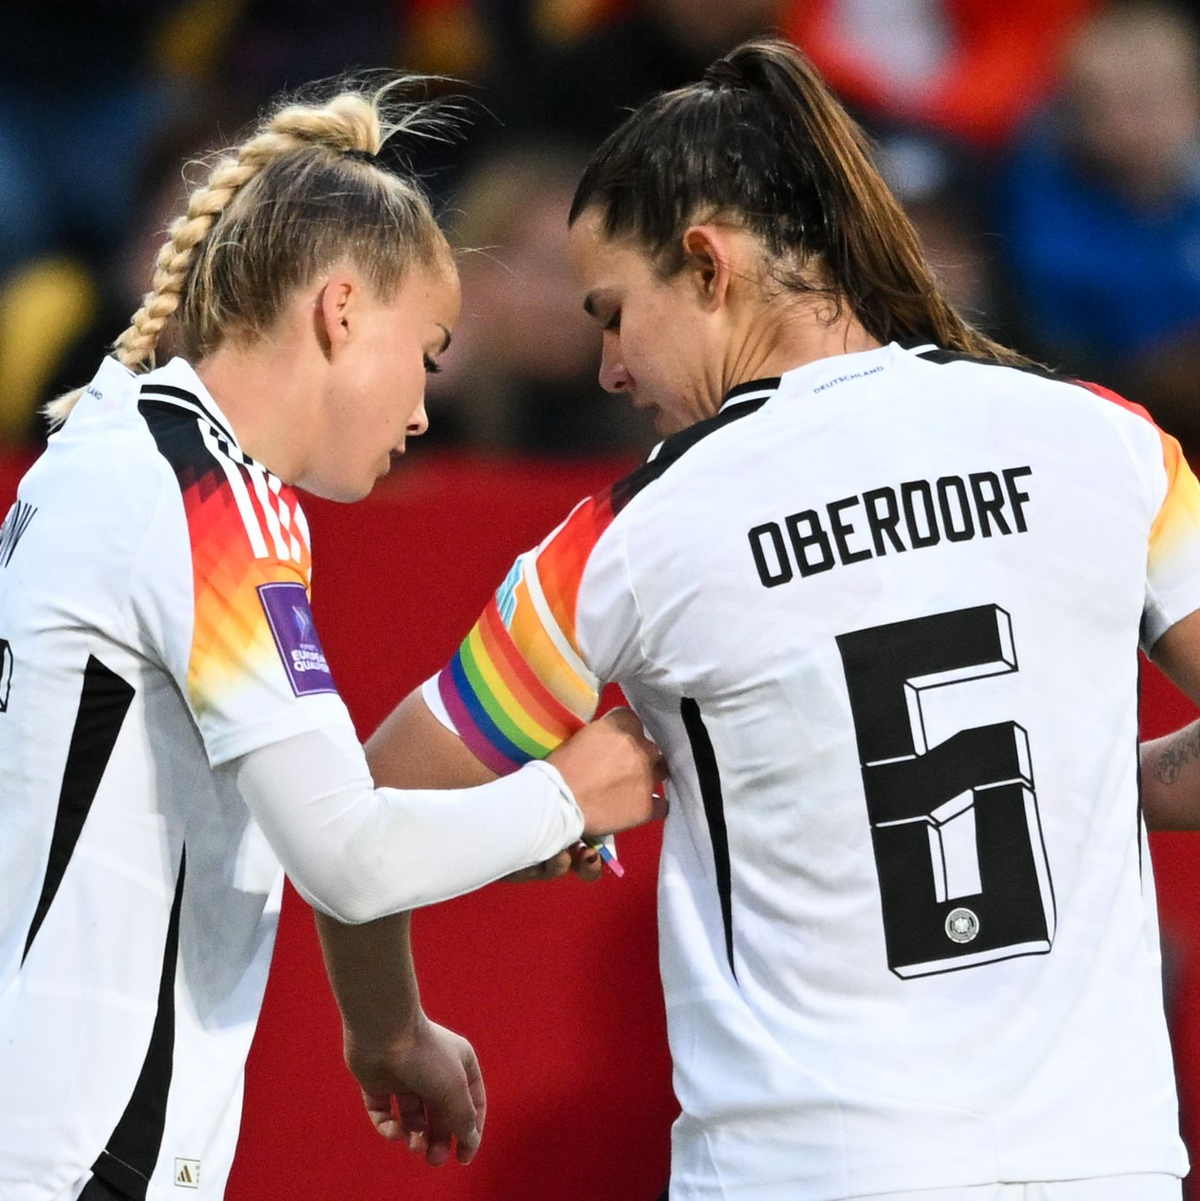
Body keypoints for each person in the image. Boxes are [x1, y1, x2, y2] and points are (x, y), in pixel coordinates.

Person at [364, 37, 1200, 1201]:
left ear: (707, 265)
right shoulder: (1105, 438)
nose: (608, 367)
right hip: (1104, 1162)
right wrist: (1117, 778)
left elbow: (377, 805)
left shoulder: (632, 536)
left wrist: (404, 1015)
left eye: (614, 313)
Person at [0, 79, 665, 1201]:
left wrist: (401, 1002)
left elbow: (271, 814)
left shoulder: (103, 452)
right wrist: (576, 789)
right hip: (84, 1156)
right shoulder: (212, 499)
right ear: (342, 309)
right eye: (429, 348)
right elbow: (347, 856)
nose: (422, 407)